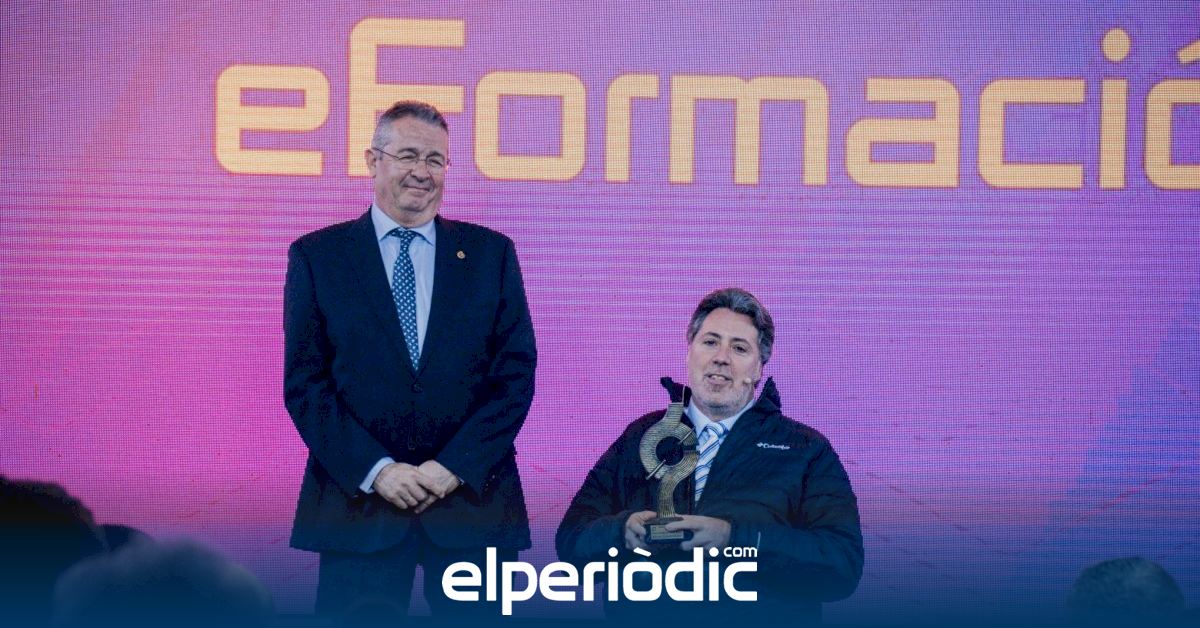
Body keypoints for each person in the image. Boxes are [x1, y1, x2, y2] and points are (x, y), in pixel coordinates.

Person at [284, 100, 537, 618]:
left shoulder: (491, 255)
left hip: (472, 504)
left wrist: (452, 468)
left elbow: (513, 378)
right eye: (407, 156)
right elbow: (306, 385)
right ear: (372, 160)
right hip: (360, 507)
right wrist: (377, 471)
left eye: (435, 159)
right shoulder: (318, 257)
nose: (422, 171)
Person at [556, 288, 862, 622]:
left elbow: (842, 565)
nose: (721, 357)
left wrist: (735, 540)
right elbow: (571, 542)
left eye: (739, 348)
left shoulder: (805, 450)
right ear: (689, 353)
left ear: (759, 368)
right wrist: (621, 533)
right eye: (710, 342)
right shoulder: (640, 436)